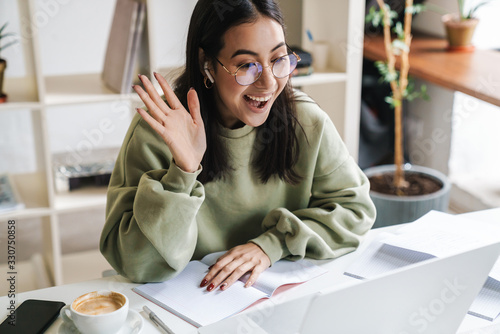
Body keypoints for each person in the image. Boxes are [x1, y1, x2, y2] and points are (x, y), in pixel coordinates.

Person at [100, 0, 376, 291]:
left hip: (273, 297)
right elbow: (137, 265)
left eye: (278, 59)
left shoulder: (306, 121)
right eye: (247, 65)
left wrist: (272, 245)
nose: (268, 83)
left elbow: (356, 211)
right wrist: (184, 171)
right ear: (208, 65)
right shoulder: (159, 132)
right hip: (190, 302)